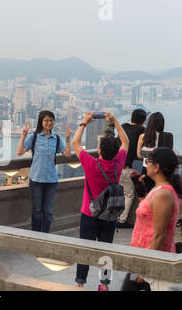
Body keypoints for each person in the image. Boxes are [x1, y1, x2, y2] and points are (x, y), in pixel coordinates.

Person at [72, 111, 129, 291]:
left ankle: (80, 283)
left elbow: (75, 143)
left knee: (85, 249)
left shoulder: (91, 164)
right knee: (106, 251)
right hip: (110, 214)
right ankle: (104, 285)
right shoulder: (118, 163)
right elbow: (126, 142)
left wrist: (84, 122)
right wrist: (115, 121)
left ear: (99, 151)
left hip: (90, 213)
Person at [127, 147, 181, 291]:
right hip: (142, 256)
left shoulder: (164, 193)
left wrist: (146, 268)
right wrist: (139, 187)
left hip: (152, 262)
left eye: (148, 161)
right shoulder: (159, 189)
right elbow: (149, 213)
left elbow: (159, 234)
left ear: (156, 167)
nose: (146, 164)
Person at [17, 110, 72, 233]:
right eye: (46, 120)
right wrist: (23, 136)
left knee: (48, 211)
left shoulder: (56, 139)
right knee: (37, 210)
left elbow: (67, 154)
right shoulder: (34, 137)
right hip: (37, 179)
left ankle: (45, 235)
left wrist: (68, 139)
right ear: (41, 122)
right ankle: (36, 236)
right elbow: (19, 152)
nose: (49, 123)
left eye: (51, 120)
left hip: (51, 179)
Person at [117, 108, 147, 228]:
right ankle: (121, 221)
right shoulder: (142, 131)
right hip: (126, 167)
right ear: (143, 121)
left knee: (117, 192)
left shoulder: (123, 127)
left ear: (131, 118)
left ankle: (113, 217)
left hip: (116, 166)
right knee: (128, 194)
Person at [137, 112, 173, 192]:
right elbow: (168, 154)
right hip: (159, 171)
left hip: (145, 169)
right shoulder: (166, 136)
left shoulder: (142, 136)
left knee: (148, 193)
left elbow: (139, 155)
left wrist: (147, 156)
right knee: (158, 193)